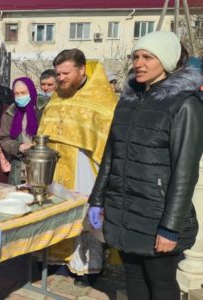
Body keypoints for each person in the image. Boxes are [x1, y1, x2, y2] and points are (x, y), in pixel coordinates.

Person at [89, 31, 203, 300]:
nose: (139, 63)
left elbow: (185, 171)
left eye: (147, 57)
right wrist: (97, 200)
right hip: (124, 208)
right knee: (133, 277)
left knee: (161, 282)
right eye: (136, 56)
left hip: (157, 213)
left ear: (165, 61)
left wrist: (170, 226)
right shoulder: (128, 101)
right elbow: (110, 154)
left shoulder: (185, 104)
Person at [38, 48, 118, 282]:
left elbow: (108, 137)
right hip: (56, 168)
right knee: (56, 211)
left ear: (81, 70)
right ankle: (56, 263)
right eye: (58, 74)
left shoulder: (101, 97)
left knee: (83, 215)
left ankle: (85, 267)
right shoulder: (57, 96)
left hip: (85, 166)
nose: (60, 78)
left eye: (65, 73)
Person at [0, 77, 42, 185]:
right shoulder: (10, 113)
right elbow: (3, 138)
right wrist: (18, 147)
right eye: (16, 93)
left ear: (31, 92)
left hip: (41, 163)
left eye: (23, 93)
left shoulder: (42, 111)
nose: (19, 97)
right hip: (19, 165)